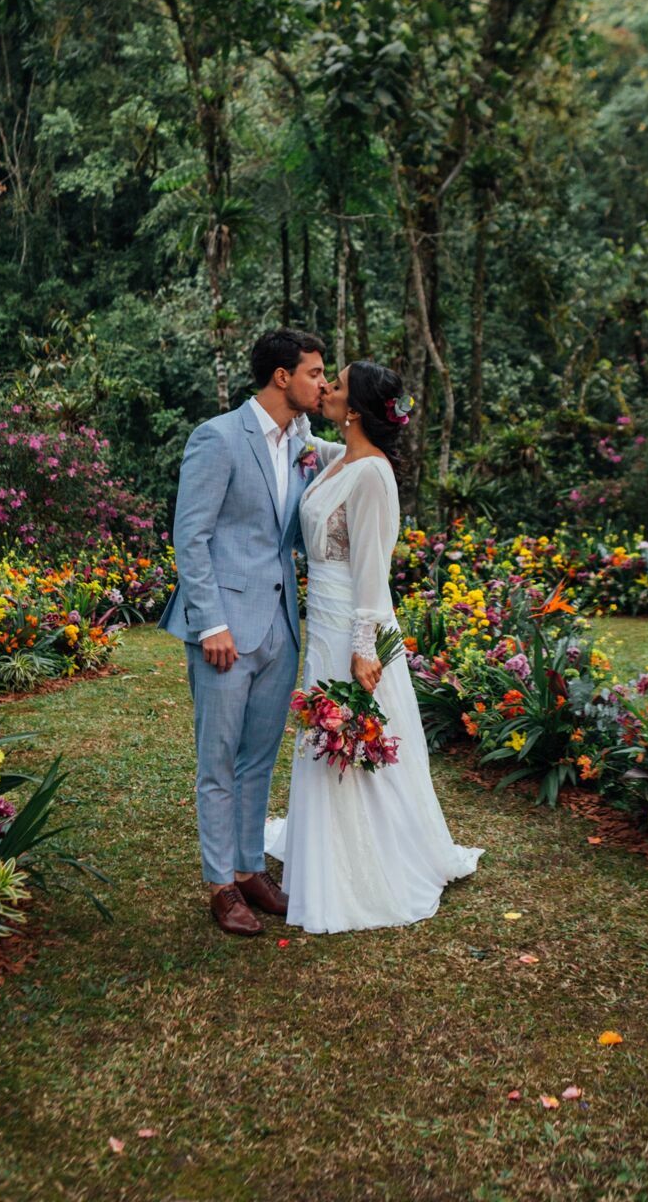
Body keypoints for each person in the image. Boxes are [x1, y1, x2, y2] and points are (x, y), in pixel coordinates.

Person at [264, 360, 482, 933]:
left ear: (356, 407)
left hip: (353, 623)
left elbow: (371, 571)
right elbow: (311, 441)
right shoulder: (343, 460)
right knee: (325, 727)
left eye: (334, 383)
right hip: (326, 617)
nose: (326, 388)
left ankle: (372, 859)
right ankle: (324, 843)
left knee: (354, 728)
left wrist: (365, 648)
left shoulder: (373, 476)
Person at [160, 328, 339, 936]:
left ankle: (247, 869)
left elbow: (351, 461)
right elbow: (192, 537)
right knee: (219, 760)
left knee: (259, 758)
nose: (322, 382)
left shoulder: (304, 441)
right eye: (315, 372)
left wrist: (375, 427)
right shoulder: (216, 437)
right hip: (225, 631)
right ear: (282, 376)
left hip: (282, 624)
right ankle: (219, 886)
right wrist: (210, 621)